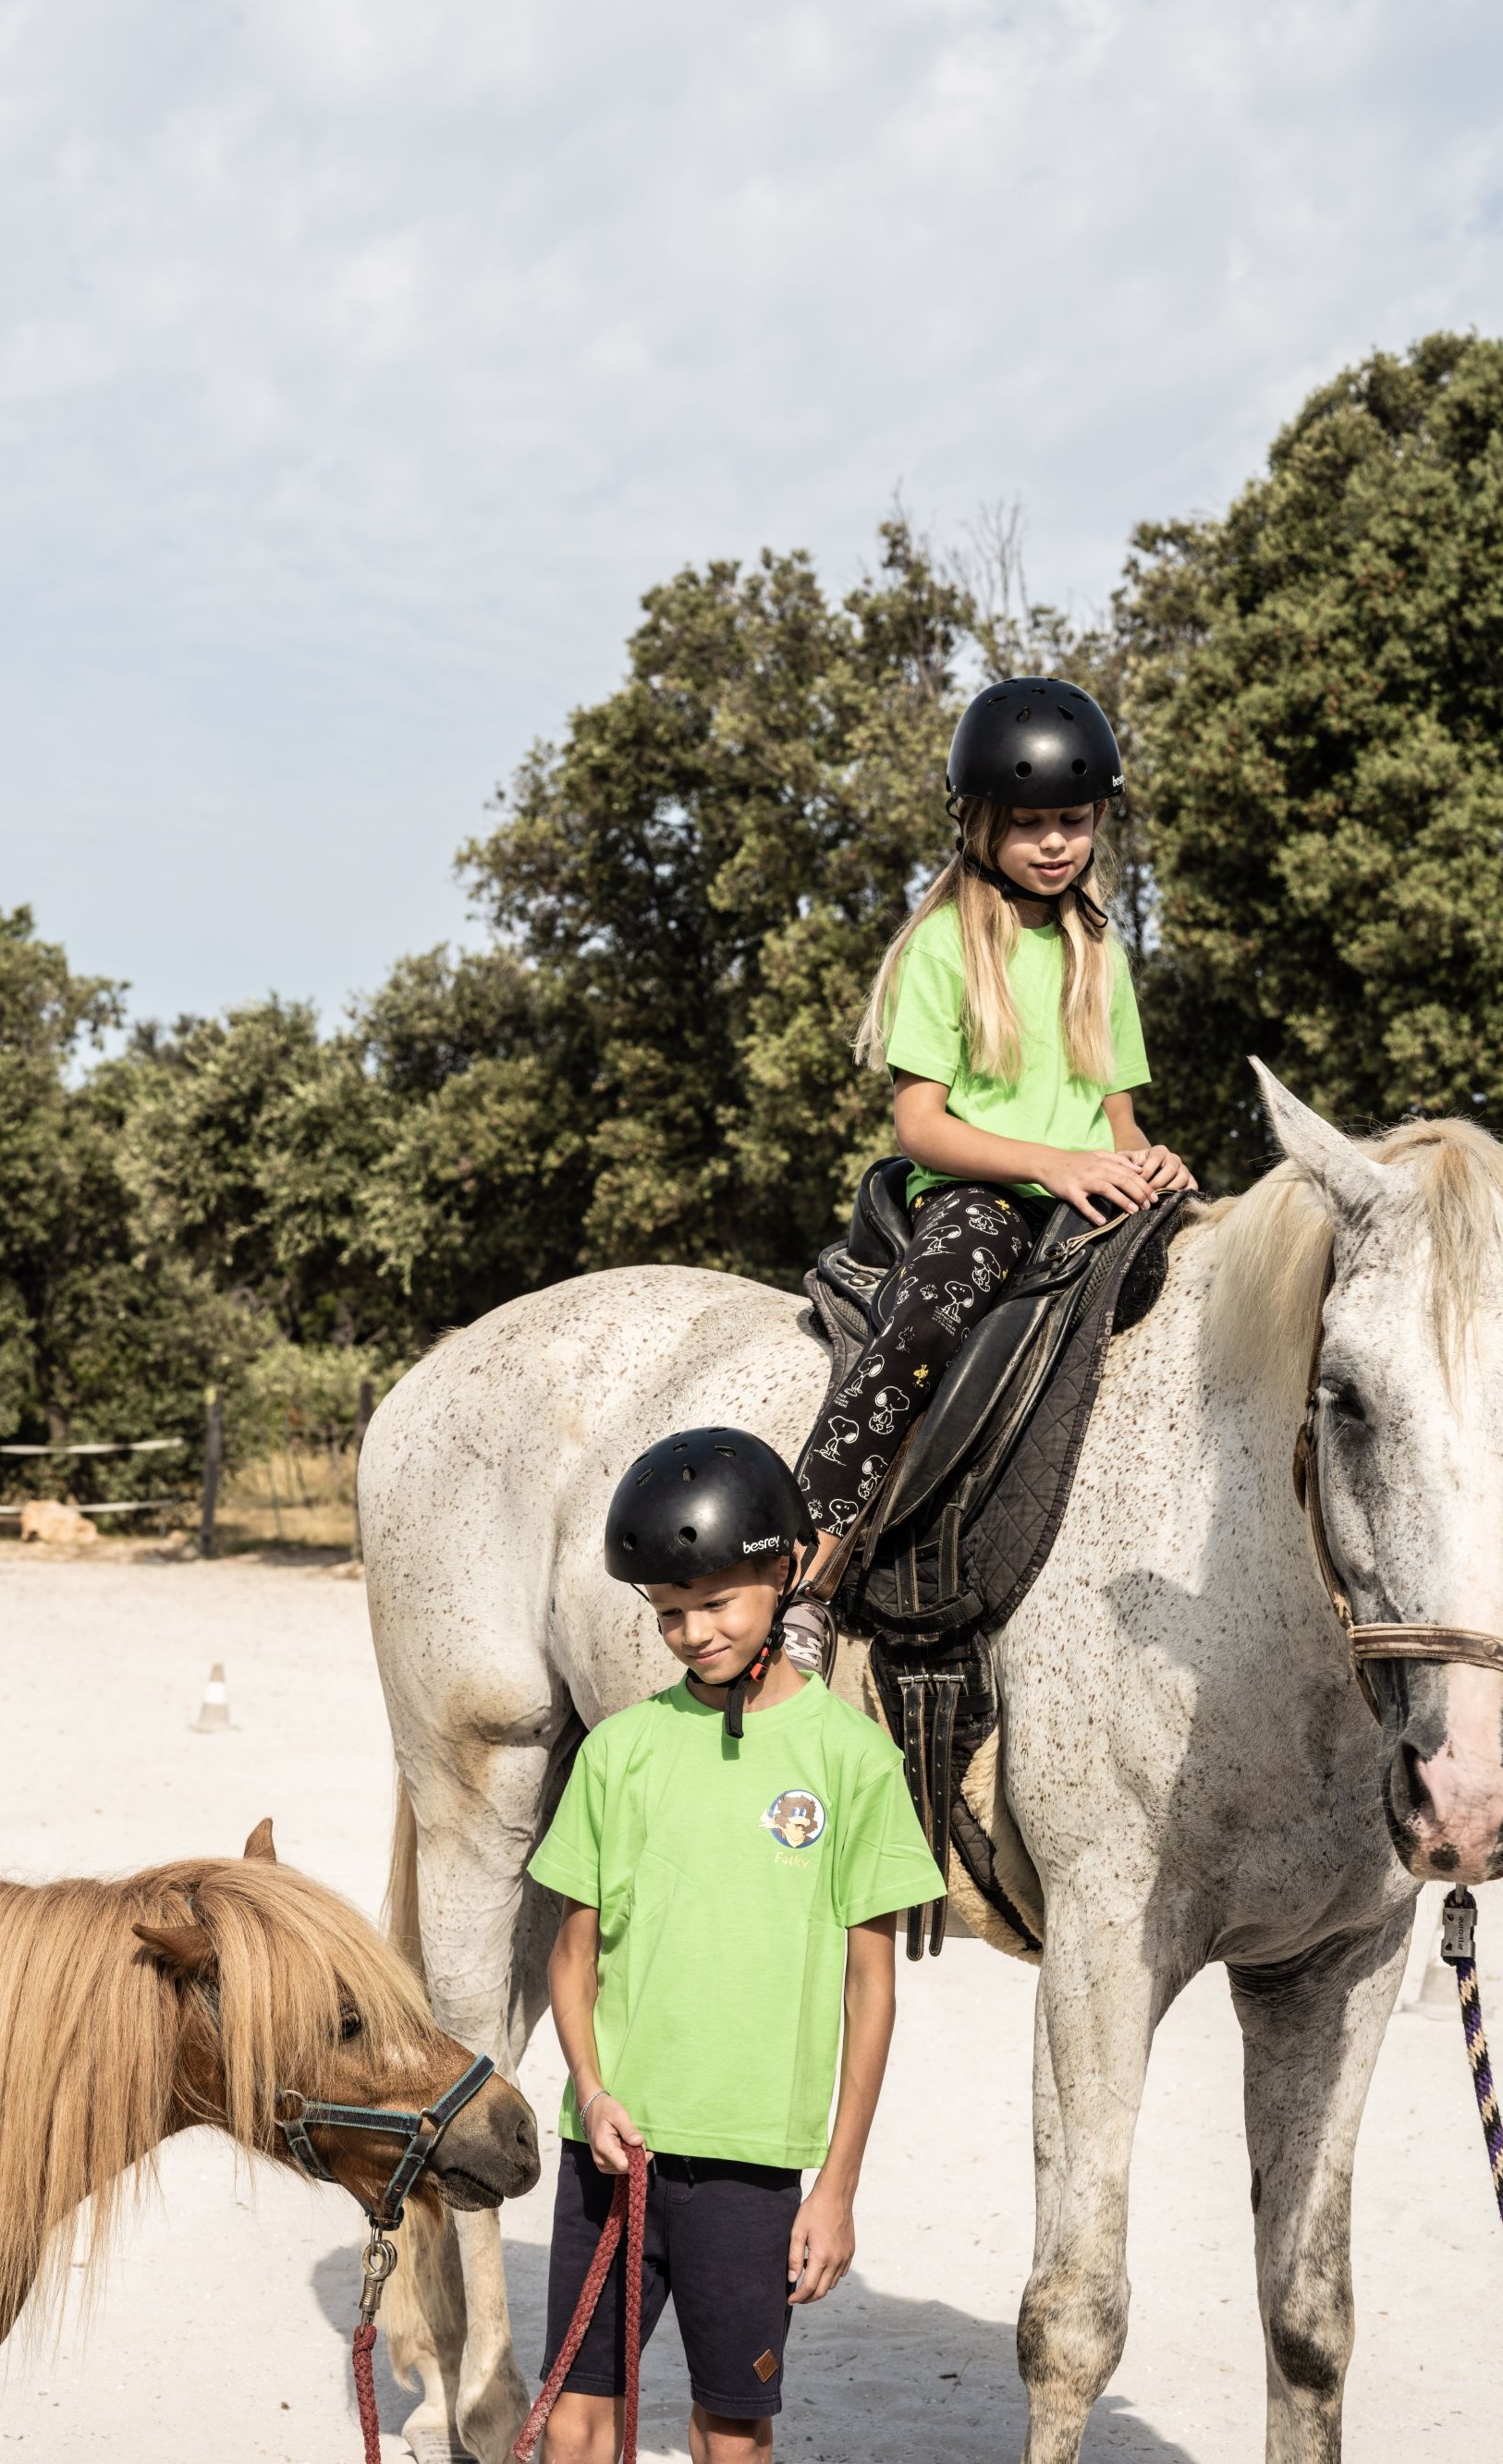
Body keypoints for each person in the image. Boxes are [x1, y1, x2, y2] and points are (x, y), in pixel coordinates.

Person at [528, 1427, 945, 2464]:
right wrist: (589, 2089)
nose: (691, 1634)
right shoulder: (619, 1751)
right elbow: (571, 1957)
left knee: (732, 2422)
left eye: (715, 1604)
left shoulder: (852, 1760)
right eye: (669, 1614)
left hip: (753, 2164)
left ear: (783, 1571)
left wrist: (836, 2186)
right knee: (575, 2416)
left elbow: (870, 1991)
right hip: (609, 2148)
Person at [783, 677, 1195, 1674]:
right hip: (980, 1195)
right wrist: (1048, 1166)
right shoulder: (941, 947)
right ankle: (808, 1564)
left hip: (1089, 1190)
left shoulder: (1100, 950)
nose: (1052, 843)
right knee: (922, 1323)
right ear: (977, 824)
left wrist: (1151, 1159)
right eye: (1026, 825)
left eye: (1071, 820)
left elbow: (1117, 1116)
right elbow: (919, 1125)